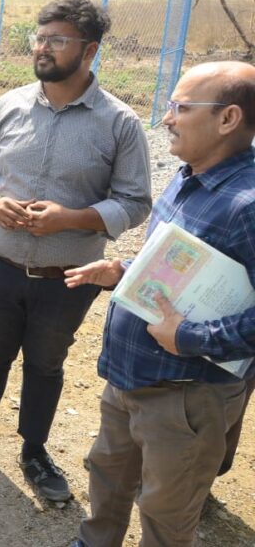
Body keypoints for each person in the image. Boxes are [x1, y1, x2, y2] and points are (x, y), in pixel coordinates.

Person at [0, 0, 152, 501]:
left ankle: (34, 451)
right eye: (40, 37)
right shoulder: (8, 105)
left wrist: (69, 219)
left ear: (89, 50)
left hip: (67, 277)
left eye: (57, 39)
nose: (42, 47)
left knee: (46, 365)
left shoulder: (119, 122)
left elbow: (135, 201)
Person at [67, 61, 255, 547]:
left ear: (228, 118)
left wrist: (190, 337)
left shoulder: (249, 205)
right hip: (131, 376)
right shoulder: (188, 176)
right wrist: (124, 272)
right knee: (108, 475)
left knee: (166, 513)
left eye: (181, 107)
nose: (167, 118)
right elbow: (180, 264)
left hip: (186, 396)